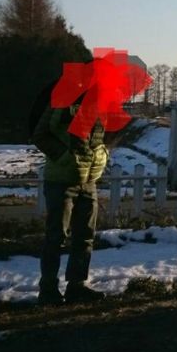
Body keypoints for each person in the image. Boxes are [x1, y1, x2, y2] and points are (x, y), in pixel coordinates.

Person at [31, 90, 109, 306]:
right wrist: (66, 158)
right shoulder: (60, 101)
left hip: (88, 181)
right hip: (61, 181)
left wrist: (102, 156)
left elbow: (99, 141)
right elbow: (40, 135)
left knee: (85, 236)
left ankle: (77, 286)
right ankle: (48, 289)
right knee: (56, 235)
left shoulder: (99, 106)